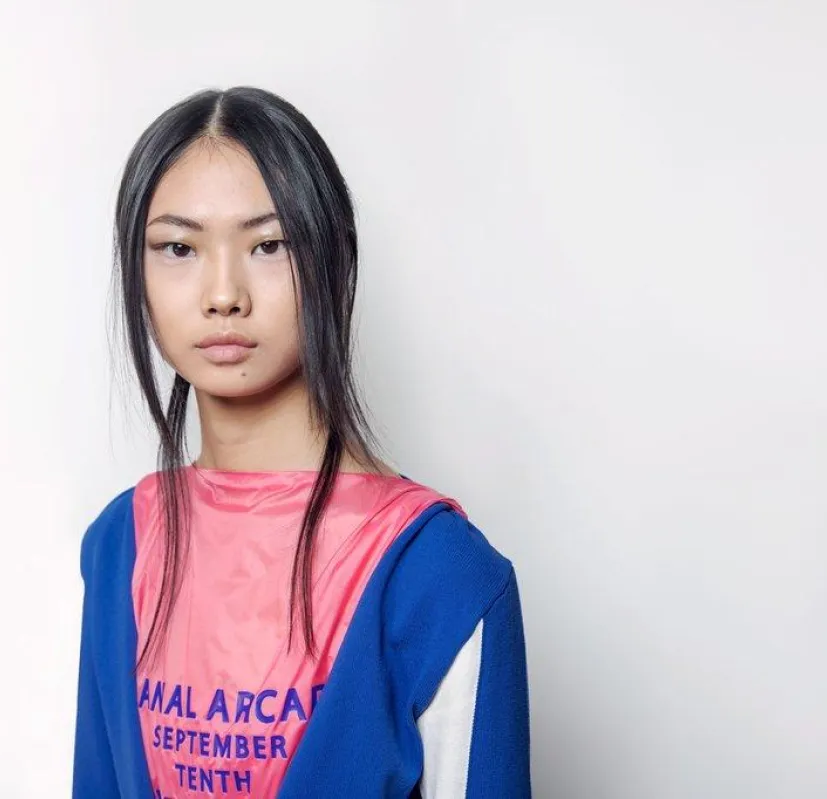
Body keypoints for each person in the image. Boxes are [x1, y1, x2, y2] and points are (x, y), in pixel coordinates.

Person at [72, 86, 531, 798]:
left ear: (331, 259)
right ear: (138, 275)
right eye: (178, 247)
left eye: (268, 244)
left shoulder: (437, 570)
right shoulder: (120, 544)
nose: (223, 294)